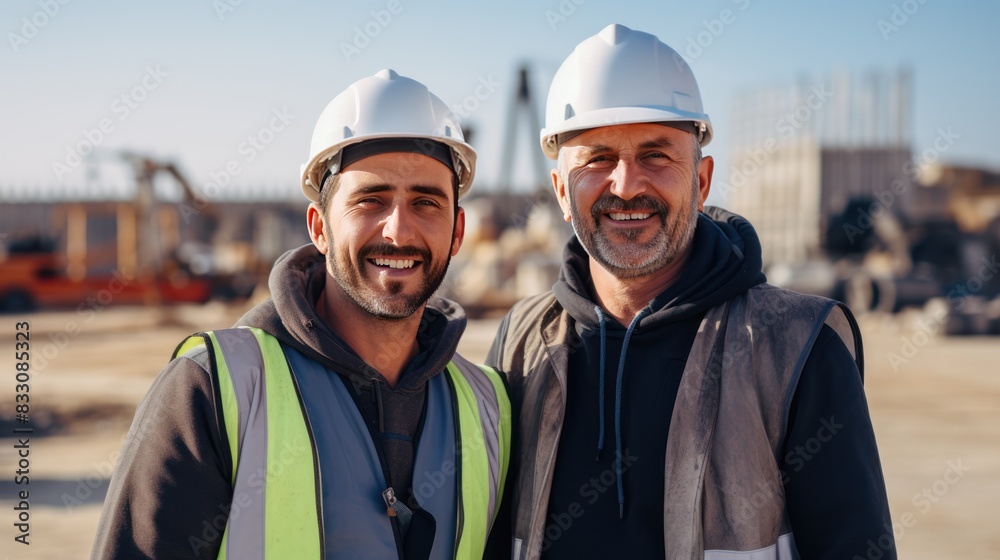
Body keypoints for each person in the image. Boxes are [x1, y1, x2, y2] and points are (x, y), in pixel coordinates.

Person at [486, 24, 895, 560]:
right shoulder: (522, 340)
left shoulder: (798, 347)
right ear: (562, 190)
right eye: (598, 158)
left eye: (657, 156)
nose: (627, 185)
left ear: (701, 182)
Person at [93, 69, 510, 560]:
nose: (398, 231)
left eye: (426, 202)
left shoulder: (488, 406)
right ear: (319, 227)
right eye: (370, 200)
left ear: (458, 231)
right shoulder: (214, 389)